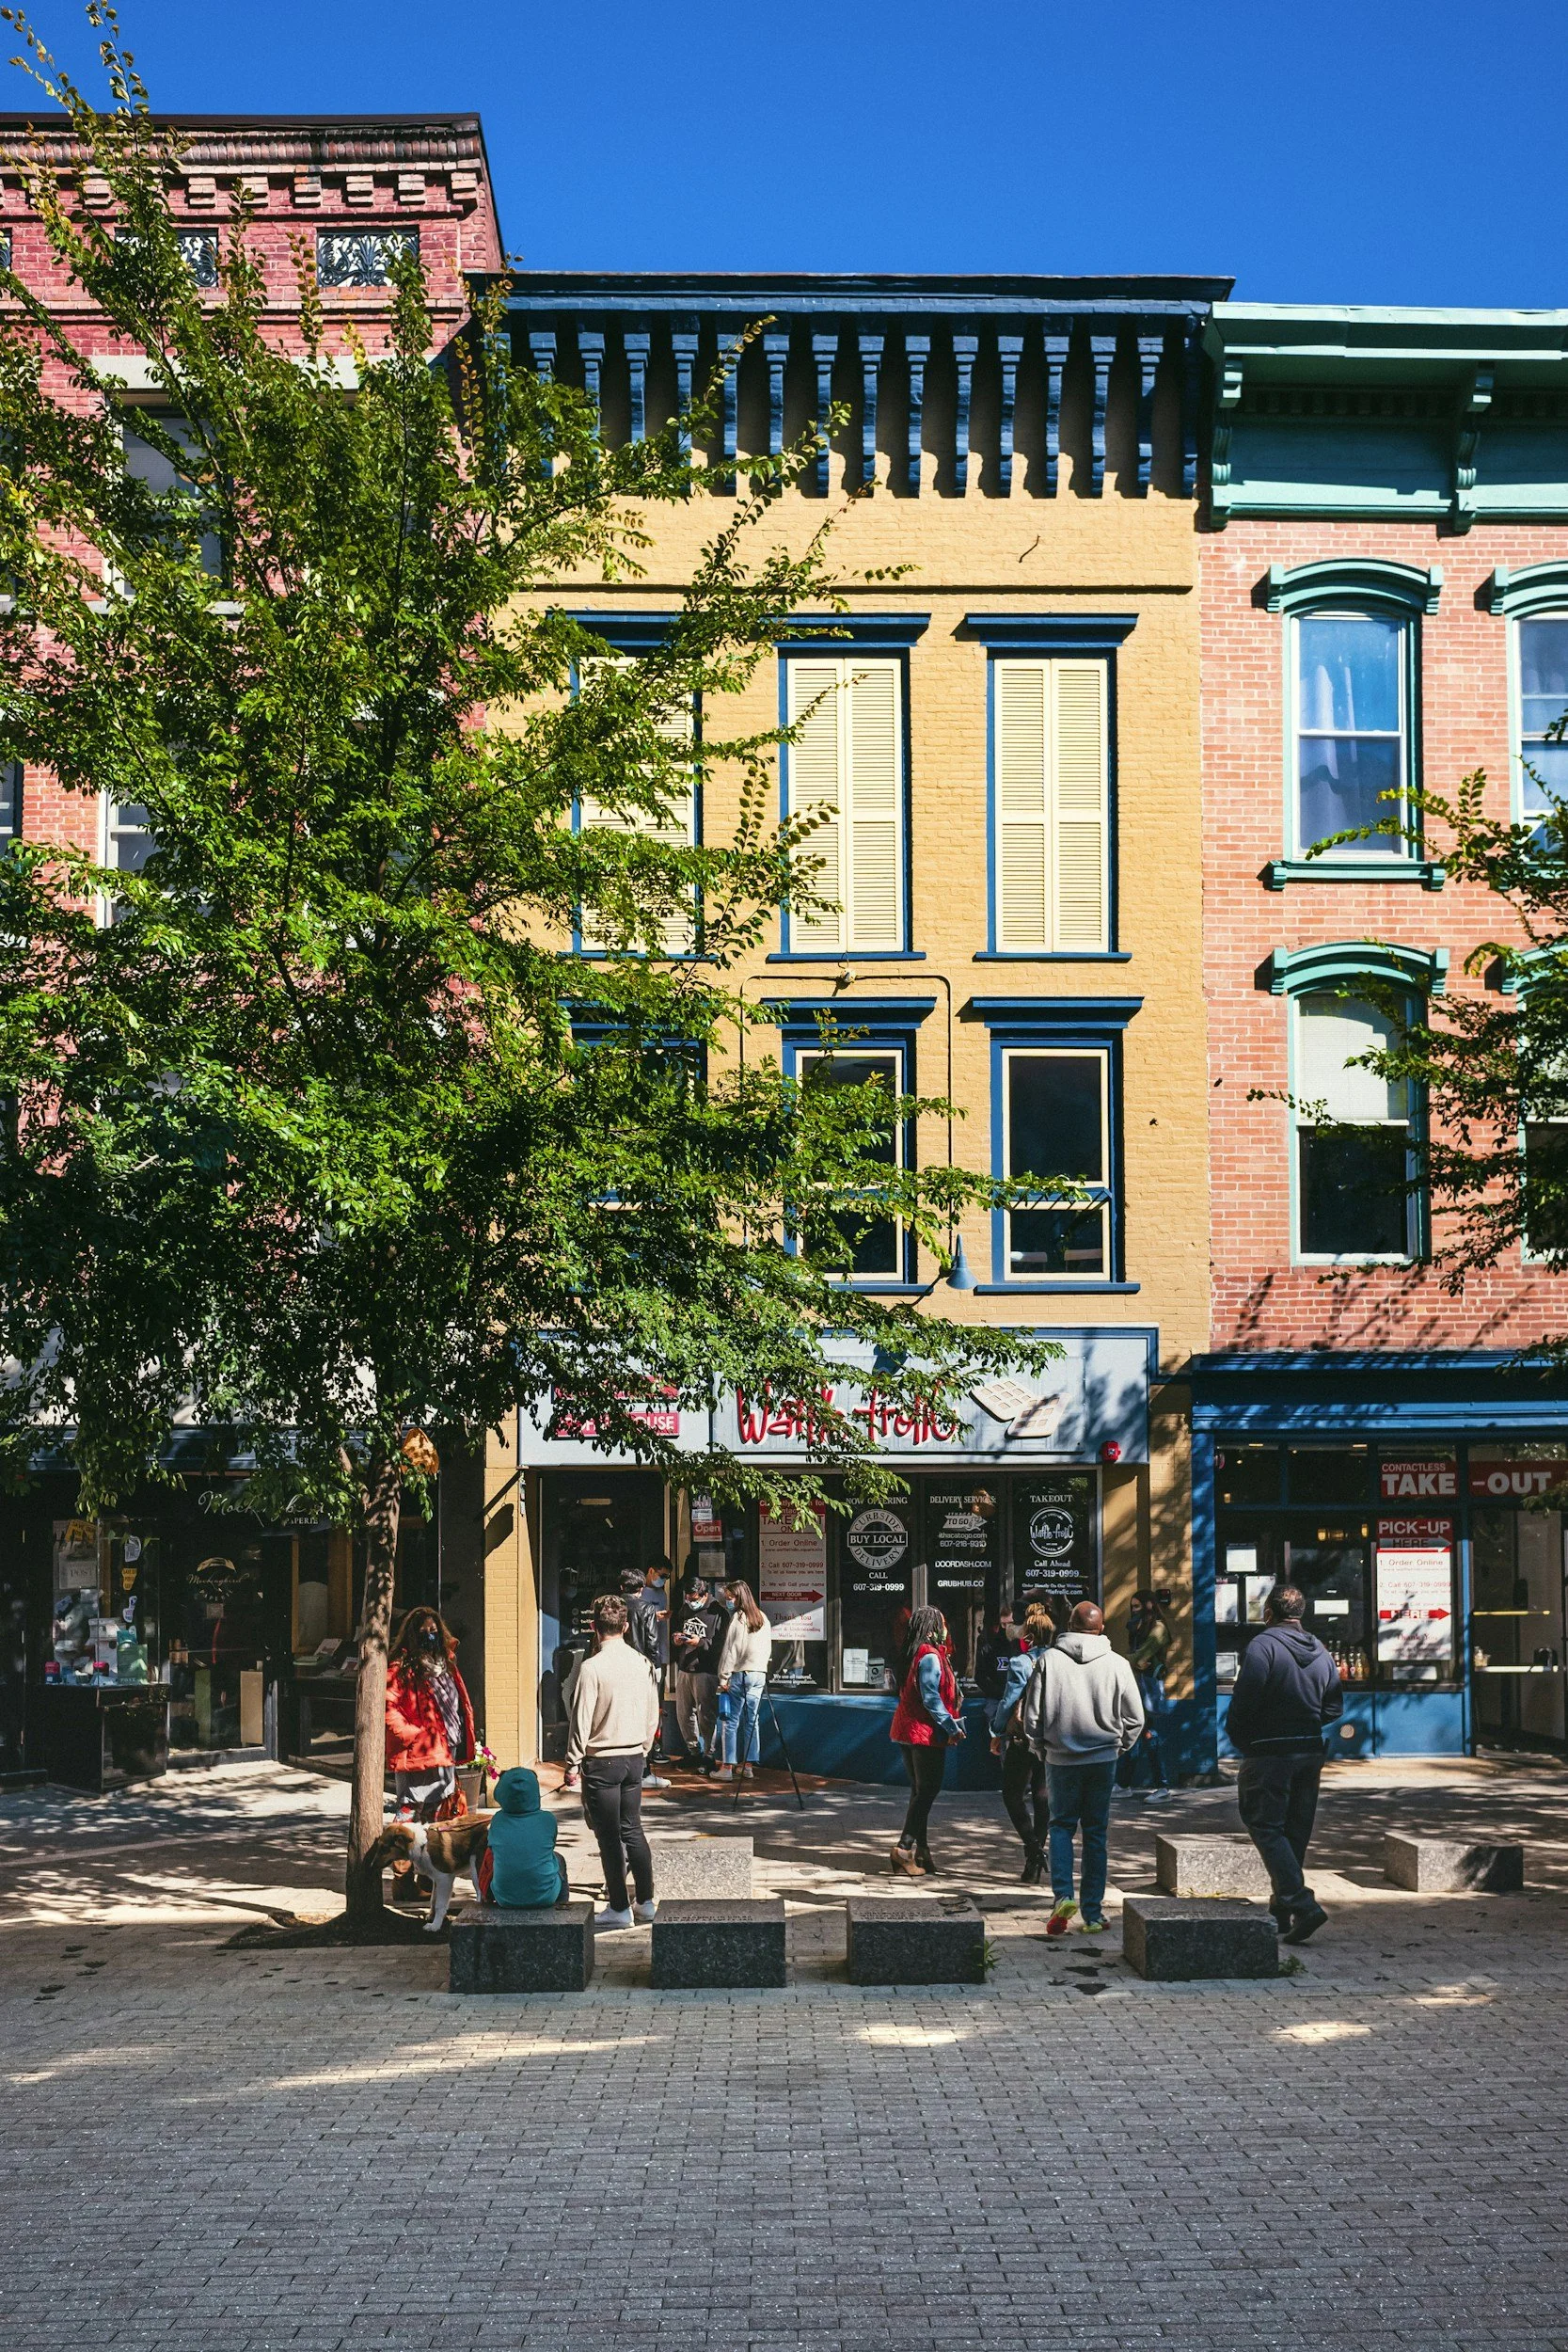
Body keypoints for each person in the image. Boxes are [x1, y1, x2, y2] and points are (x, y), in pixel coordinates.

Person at [1226, 1583, 1342, 1946]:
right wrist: (1305, 1724)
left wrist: (1245, 1738)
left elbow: (1245, 1700)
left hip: (1269, 1751)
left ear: (1268, 1613)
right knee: (1294, 1831)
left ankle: (1301, 1903)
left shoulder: (1263, 1645)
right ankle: (1281, 1910)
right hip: (1308, 1751)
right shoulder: (1321, 1650)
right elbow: (1334, 1708)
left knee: (1265, 1825)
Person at [1018, 1599, 1143, 1935]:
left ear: (1069, 1627)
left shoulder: (1048, 1661)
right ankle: (1093, 1912)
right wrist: (1119, 1748)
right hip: (1102, 1760)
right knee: (1096, 1833)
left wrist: (1041, 1748)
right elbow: (1135, 1719)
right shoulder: (1118, 1664)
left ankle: (1062, 1897)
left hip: (1061, 1760)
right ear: (1101, 1628)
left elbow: (1031, 1719)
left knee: (1060, 1827)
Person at [566, 1592, 661, 1930]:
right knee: (633, 1828)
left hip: (602, 1760)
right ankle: (646, 1902)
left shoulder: (592, 1668)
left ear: (594, 1627)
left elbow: (582, 1719)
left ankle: (619, 1908)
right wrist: (645, 1746)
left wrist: (573, 1761)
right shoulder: (643, 1663)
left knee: (608, 1837)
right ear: (625, 1625)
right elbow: (653, 1712)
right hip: (635, 1756)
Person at [888, 1605, 965, 1876]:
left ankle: (923, 1851)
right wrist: (951, 1727)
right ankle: (904, 1847)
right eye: (942, 1624)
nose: (946, 1629)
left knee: (919, 1792)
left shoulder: (913, 1653)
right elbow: (930, 1698)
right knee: (928, 1790)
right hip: (924, 1733)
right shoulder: (930, 1657)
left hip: (907, 1730)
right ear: (933, 1628)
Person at [385, 1607, 476, 1821]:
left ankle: (427, 1852)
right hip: (419, 1749)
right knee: (409, 1809)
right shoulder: (401, 1668)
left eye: (433, 1630)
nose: (429, 1635)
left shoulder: (446, 1663)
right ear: (412, 1635)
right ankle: (396, 1853)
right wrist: (412, 1735)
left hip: (446, 1744)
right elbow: (388, 1707)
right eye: (423, 1632)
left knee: (435, 1807)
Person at [990, 1598, 1055, 1883]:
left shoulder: (1021, 1662)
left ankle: (1032, 1848)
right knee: (1042, 1797)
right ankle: (1036, 1858)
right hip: (1051, 1736)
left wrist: (996, 1730)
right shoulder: (1059, 1659)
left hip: (1022, 1737)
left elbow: (1008, 1702)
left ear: (1027, 1637)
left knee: (1012, 1794)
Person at [479, 1765, 569, 1908]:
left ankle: (486, 1898)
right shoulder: (548, 1819)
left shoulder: (497, 1820)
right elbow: (548, 1848)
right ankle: (562, 1904)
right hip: (546, 1897)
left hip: (504, 1899)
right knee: (558, 1859)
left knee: (492, 1857)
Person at [715, 1580, 772, 1781]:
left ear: (739, 1597)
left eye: (730, 1597)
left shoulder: (739, 1618)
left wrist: (724, 1677)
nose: (728, 1601)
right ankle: (748, 1765)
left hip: (741, 1673)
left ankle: (727, 1767)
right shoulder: (762, 1618)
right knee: (752, 1721)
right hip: (759, 1674)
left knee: (730, 1721)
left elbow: (732, 1650)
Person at [1119, 1590, 1173, 1800]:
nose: (1134, 1611)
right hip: (1138, 1684)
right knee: (1137, 1732)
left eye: (1137, 1606)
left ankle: (1163, 1787)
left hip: (1150, 1686)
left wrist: (1128, 1659)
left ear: (1149, 1605)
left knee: (1149, 1735)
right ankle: (1124, 1784)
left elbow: (1140, 1657)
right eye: (1132, 1607)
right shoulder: (1141, 1628)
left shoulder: (1158, 1628)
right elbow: (1138, 1659)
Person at [671, 1570, 726, 1770]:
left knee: (706, 1714)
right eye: (686, 1597)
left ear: (704, 1595)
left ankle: (709, 1755)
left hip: (706, 1669)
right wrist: (677, 1638)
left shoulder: (717, 1611)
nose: (689, 1601)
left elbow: (721, 1643)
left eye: (693, 1598)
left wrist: (701, 1643)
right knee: (684, 1713)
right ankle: (693, 1751)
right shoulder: (685, 1609)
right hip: (685, 1666)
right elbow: (676, 1627)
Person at [626, 1559, 673, 1790]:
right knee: (646, 1713)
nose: (662, 1580)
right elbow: (651, 1640)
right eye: (661, 1575)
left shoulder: (615, 1605)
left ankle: (647, 1754)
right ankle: (643, 1765)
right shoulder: (642, 1606)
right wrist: (654, 1664)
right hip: (646, 1663)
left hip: (632, 1663)